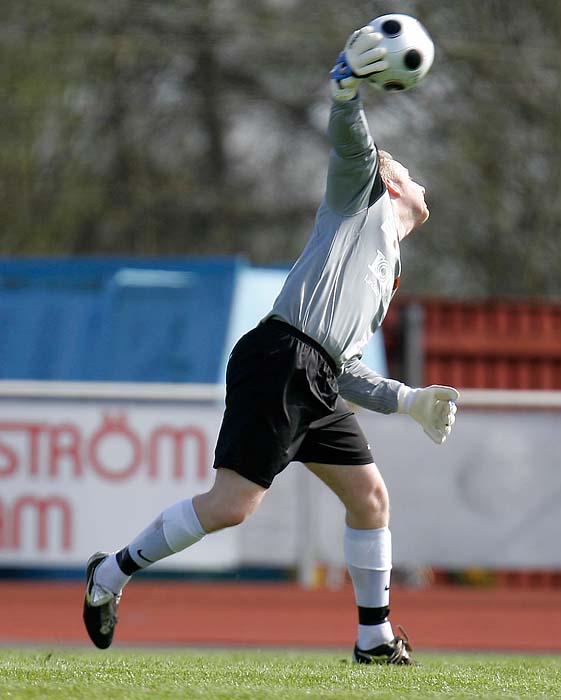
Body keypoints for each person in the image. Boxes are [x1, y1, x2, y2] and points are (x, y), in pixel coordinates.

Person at [83, 26, 459, 665]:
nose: (421, 184)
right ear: (393, 184)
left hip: (312, 374)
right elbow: (350, 143)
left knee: (370, 499)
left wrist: (409, 400)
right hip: (281, 357)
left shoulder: (388, 269)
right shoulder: (362, 192)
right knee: (232, 508)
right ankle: (109, 573)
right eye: (411, 173)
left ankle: (375, 640)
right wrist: (345, 93)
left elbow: (342, 368)